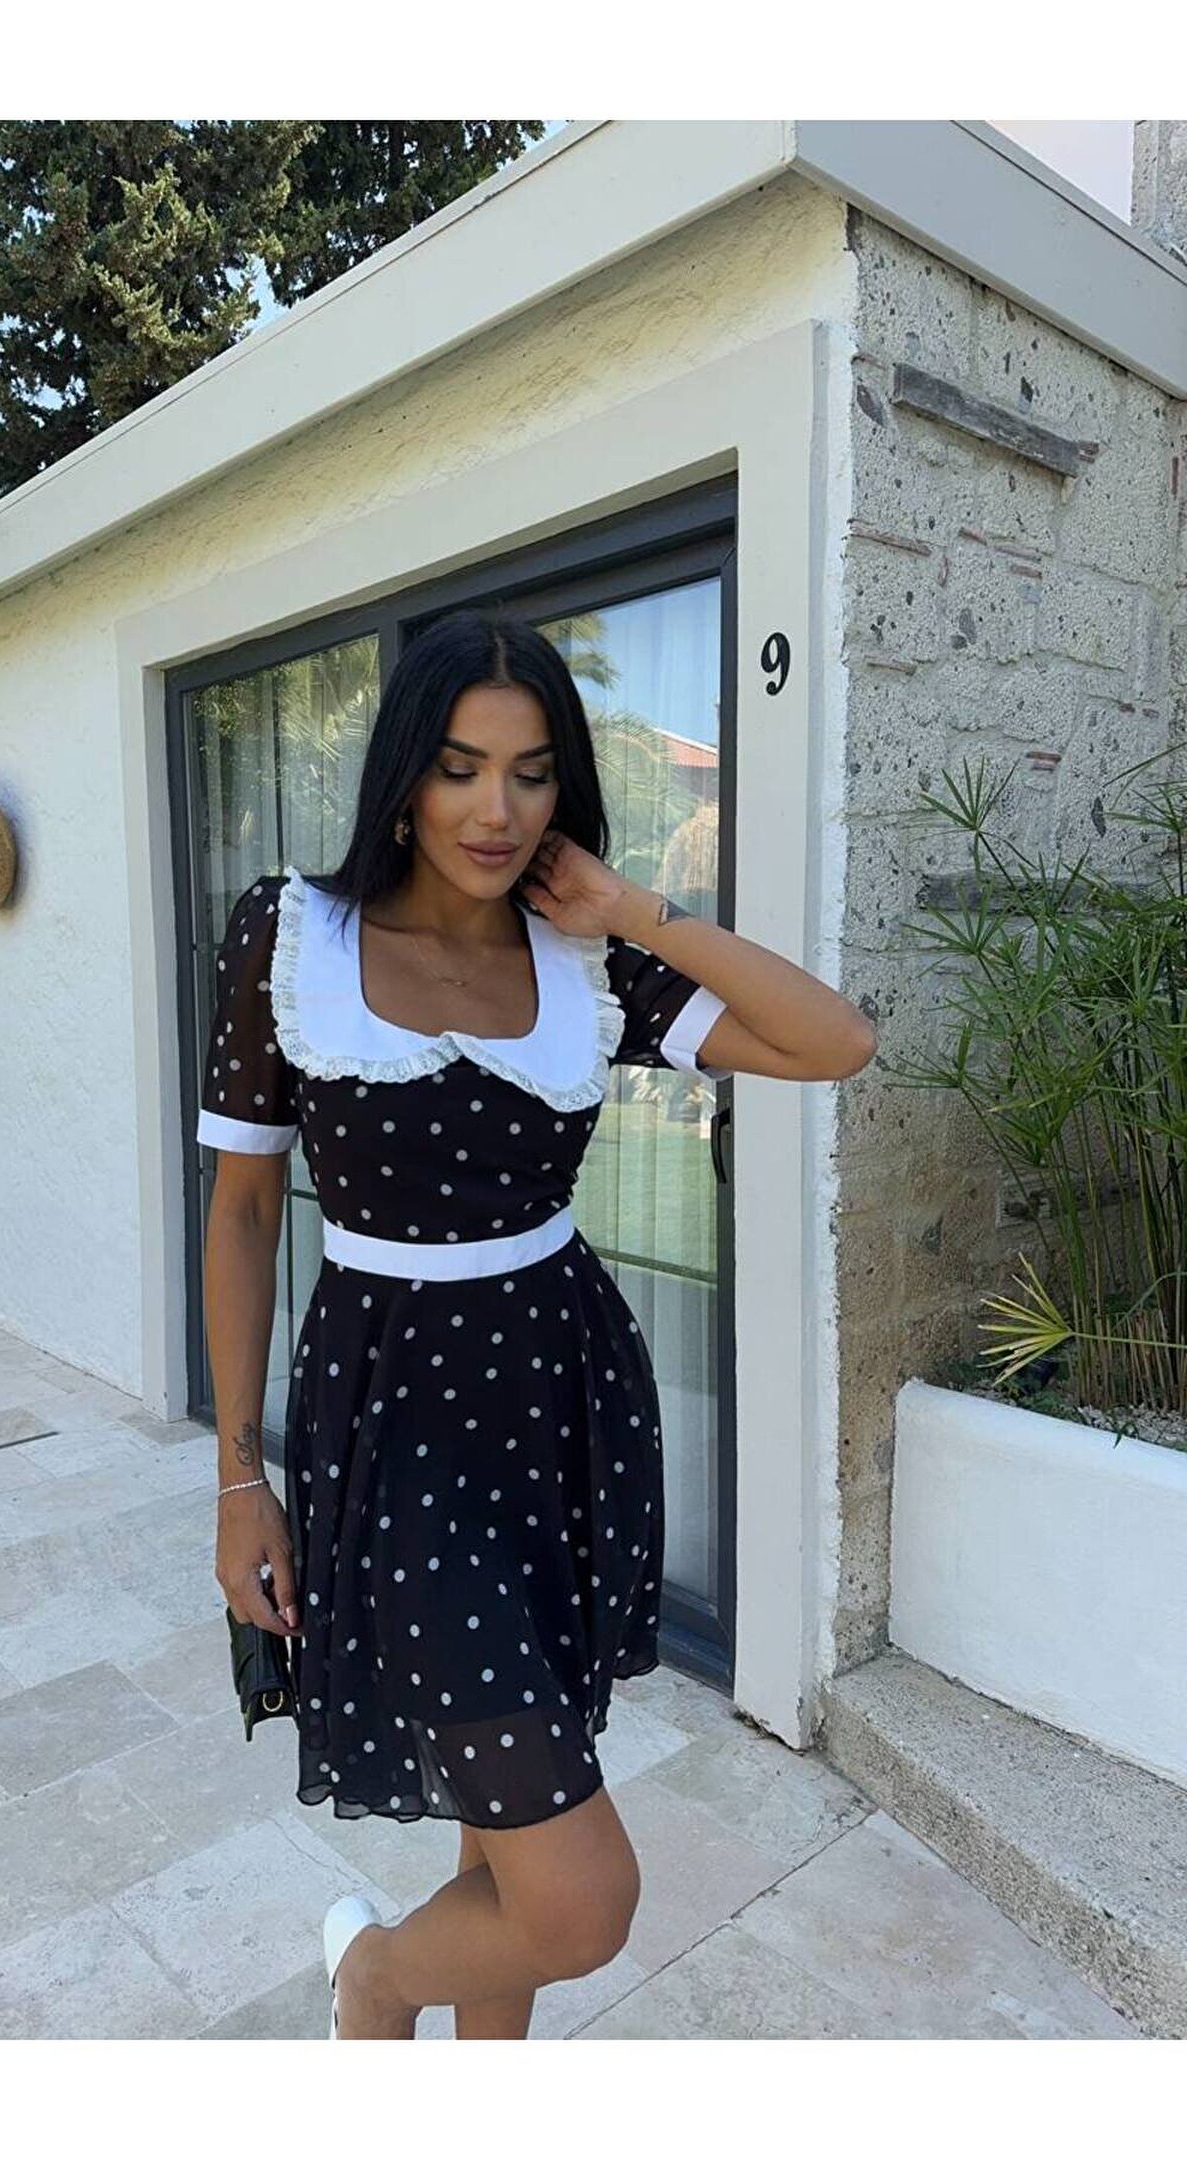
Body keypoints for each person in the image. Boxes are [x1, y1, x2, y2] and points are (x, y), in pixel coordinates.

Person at [200, 609, 876, 2039]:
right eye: (459, 768)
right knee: (579, 1899)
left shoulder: (586, 963)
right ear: (403, 775)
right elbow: (245, 1212)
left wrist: (633, 911)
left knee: (501, 1825)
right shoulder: (291, 938)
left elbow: (835, 1040)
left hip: (562, 1405)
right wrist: (238, 1478)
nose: (495, 810)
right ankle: (375, 1980)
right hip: (393, 1425)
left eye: (530, 771)